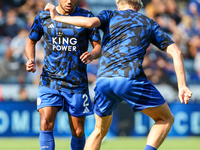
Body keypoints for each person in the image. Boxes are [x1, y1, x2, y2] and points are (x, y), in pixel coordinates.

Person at [44, 0, 193, 150]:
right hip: (130, 79)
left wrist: (57, 17)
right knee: (165, 119)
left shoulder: (110, 15)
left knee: (98, 130)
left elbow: (89, 23)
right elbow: (177, 52)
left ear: (118, 4)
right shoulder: (148, 22)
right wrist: (182, 86)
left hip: (103, 80)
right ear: (138, 7)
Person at [25, 0, 101, 150]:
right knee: (46, 122)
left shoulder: (86, 16)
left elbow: (98, 46)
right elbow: (31, 41)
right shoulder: (43, 16)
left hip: (76, 82)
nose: (69, 1)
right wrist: (31, 59)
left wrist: (92, 54)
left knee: (78, 131)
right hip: (50, 80)